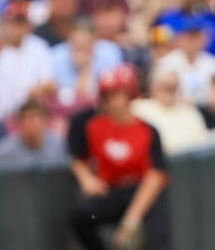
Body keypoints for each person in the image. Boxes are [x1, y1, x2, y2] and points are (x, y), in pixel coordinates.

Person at [67, 64, 171, 250]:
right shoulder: (90, 125)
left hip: (139, 191)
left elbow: (155, 177)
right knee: (81, 216)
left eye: (117, 95)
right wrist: (86, 178)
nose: (112, 102)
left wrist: (131, 220)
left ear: (130, 96)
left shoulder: (147, 131)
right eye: (107, 96)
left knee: (158, 236)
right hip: (111, 190)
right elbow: (76, 156)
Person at [0, 100, 68, 169]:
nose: (33, 122)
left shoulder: (60, 147)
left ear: (46, 121)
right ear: (19, 123)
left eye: (37, 117)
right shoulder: (5, 150)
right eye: (28, 118)